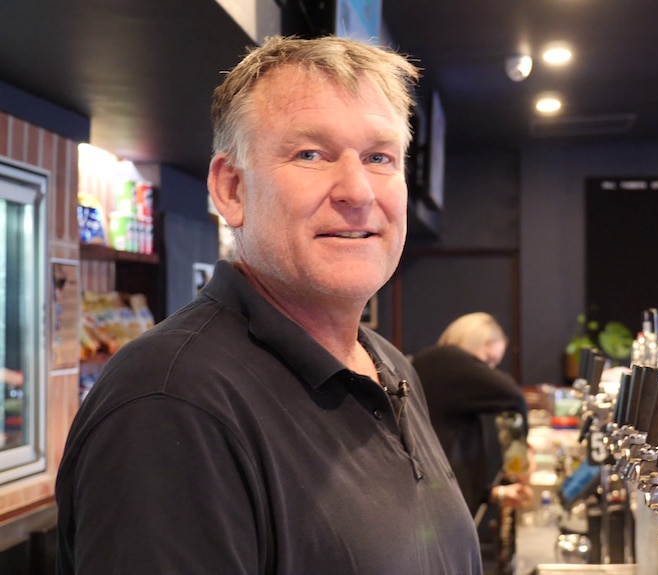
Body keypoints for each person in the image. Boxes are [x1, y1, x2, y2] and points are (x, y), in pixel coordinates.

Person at [55, 35, 482, 574]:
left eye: (379, 157)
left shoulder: (389, 366)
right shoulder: (171, 403)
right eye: (310, 154)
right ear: (231, 189)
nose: (357, 190)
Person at [411, 313, 534, 523]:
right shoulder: (443, 360)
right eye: (487, 361)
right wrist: (520, 458)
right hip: (436, 516)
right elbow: (513, 397)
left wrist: (493, 494)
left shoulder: (446, 380)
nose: (489, 372)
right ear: (470, 343)